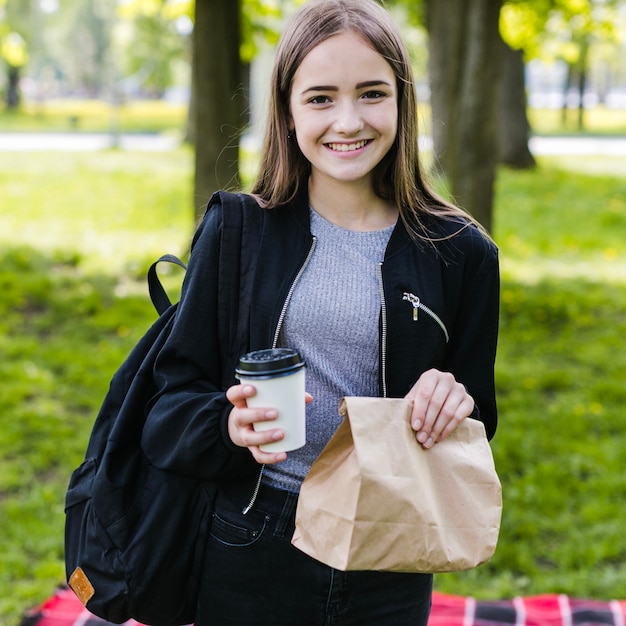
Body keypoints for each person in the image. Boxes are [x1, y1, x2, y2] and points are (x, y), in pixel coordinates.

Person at [142, 0, 499, 623]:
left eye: (371, 93)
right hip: (252, 538)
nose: (348, 120)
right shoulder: (236, 231)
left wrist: (453, 398)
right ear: (285, 110)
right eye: (320, 98)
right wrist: (229, 428)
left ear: (402, 102)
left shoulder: (461, 253)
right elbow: (167, 410)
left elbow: (478, 419)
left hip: (388, 540)